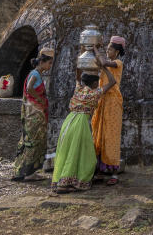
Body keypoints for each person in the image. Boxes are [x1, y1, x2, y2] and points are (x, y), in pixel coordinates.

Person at [51, 49, 115, 194]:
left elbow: (77, 75)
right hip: (80, 123)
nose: (97, 84)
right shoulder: (94, 93)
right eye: (97, 82)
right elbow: (112, 82)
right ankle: (69, 182)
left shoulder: (78, 89)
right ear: (93, 84)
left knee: (67, 152)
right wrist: (104, 67)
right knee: (84, 155)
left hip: (69, 121)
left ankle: (63, 180)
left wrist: (82, 57)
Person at [11, 48, 54, 182]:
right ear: (42, 62)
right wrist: (40, 99)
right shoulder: (35, 74)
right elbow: (29, 88)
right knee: (34, 142)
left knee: (31, 141)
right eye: (49, 63)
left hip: (35, 113)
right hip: (34, 114)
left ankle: (25, 171)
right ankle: (28, 173)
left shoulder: (37, 74)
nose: (50, 66)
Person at [91, 36, 126, 186]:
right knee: (99, 134)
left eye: (110, 49)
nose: (108, 50)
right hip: (102, 101)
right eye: (107, 48)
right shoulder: (107, 62)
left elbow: (104, 63)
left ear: (117, 52)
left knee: (111, 136)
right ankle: (99, 171)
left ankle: (114, 173)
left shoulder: (118, 63)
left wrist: (94, 48)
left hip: (113, 102)